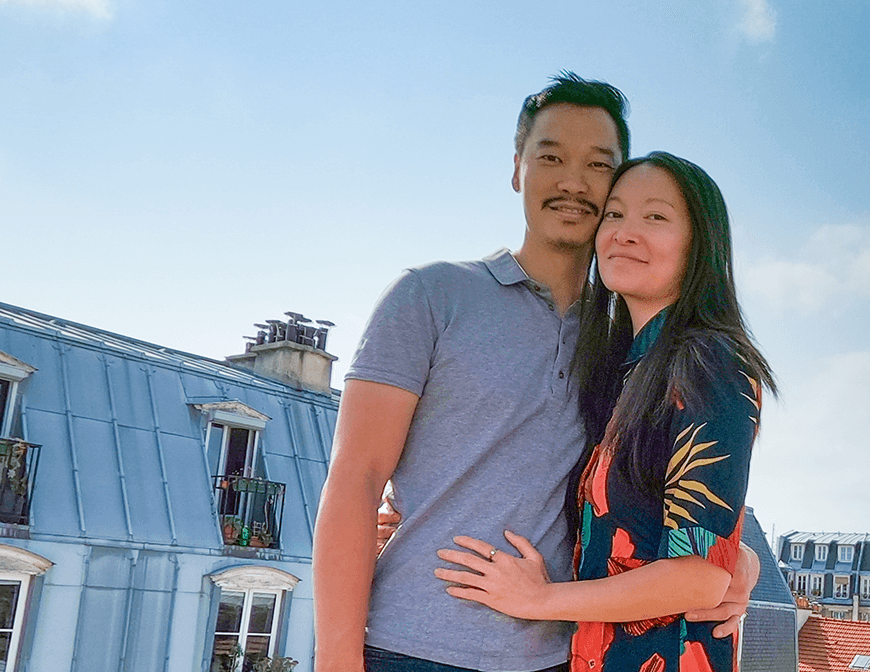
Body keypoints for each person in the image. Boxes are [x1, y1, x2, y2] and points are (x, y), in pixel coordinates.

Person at [314, 74, 757, 672]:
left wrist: (738, 564)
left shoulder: (631, 347)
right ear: (518, 167)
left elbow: (669, 491)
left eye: (598, 166)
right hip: (411, 648)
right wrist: (335, 659)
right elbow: (356, 479)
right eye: (551, 157)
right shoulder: (430, 296)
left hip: (560, 656)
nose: (573, 182)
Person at [435, 152, 776, 672]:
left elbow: (697, 575)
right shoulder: (624, 368)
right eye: (614, 214)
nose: (625, 233)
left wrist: (539, 600)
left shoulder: (706, 361)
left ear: (701, 244)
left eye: (655, 217)